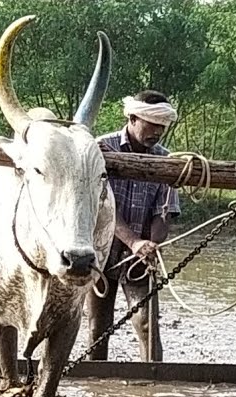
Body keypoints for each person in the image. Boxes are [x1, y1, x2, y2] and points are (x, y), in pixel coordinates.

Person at [88, 90, 182, 362]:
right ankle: (97, 392)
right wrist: (133, 242)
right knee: (98, 328)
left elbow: (164, 212)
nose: (158, 131)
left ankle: (153, 389)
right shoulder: (100, 149)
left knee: (147, 325)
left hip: (140, 255)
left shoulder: (167, 160)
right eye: (152, 123)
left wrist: (151, 244)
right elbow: (101, 207)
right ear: (132, 118)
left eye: (162, 125)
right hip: (100, 251)